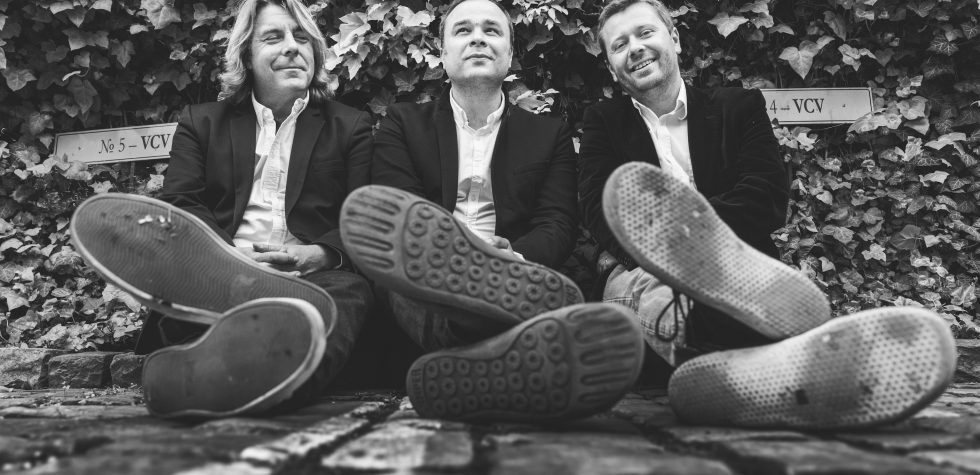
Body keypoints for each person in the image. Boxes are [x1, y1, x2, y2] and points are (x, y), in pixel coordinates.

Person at [580, 0, 956, 429]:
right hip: (638, 266)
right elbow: (599, 208)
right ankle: (776, 366)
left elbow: (765, 196)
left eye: (645, 33)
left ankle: (724, 373)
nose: (635, 48)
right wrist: (663, 253)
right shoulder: (602, 121)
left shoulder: (738, 106)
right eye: (619, 45)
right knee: (658, 286)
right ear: (611, 67)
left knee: (710, 288)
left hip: (737, 265)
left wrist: (690, 235)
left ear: (675, 39)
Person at [339, 0, 644, 422]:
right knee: (401, 277)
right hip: (426, 277)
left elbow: (557, 223)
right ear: (443, 53)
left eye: (492, 30)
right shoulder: (403, 123)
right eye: (463, 30)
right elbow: (400, 213)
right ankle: (504, 352)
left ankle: (474, 356)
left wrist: (513, 258)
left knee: (542, 280)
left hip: (514, 268)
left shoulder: (548, 133)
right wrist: (456, 258)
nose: (478, 38)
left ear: (510, 53)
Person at [69, 0, 374, 418]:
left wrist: (318, 254)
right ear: (246, 54)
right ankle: (239, 369)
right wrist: (226, 257)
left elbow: (361, 217)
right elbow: (181, 202)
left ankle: (235, 380)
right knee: (189, 279)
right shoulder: (202, 122)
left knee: (348, 294)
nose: (292, 46)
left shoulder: (350, 126)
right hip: (220, 274)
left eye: (302, 38)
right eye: (274, 37)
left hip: (310, 278)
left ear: (316, 52)